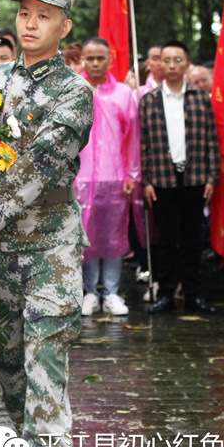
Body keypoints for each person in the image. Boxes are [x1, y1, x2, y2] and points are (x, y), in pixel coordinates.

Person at [0, 0, 93, 447]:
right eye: (25, 14)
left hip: (49, 242)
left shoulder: (74, 92)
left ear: (64, 26)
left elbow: (40, 164)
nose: (31, 23)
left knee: (46, 345)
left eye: (44, 15)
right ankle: (25, 434)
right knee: (7, 351)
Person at [140, 41, 221, 315]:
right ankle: (165, 294)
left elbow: (212, 139)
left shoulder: (201, 98)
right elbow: (143, 145)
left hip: (196, 177)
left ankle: (193, 294)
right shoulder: (148, 101)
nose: (172, 65)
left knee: (192, 239)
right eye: (167, 60)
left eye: (178, 60)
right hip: (161, 179)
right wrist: (146, 180)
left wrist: (212, 177)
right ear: (159, 64)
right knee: (165, 239)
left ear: (187, 64)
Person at [75, 36, 137, 318]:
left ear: (110, 59)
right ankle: (89, 292)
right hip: (81, 177)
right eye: (91, 58)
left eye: (101, 58)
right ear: (83, 59)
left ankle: (111, 292)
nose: (96, 63)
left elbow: (132, 137)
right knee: (85, 235)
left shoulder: (124, 93)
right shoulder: (74, 89)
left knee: (113, 235)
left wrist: (132, 173)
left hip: (114, 176)